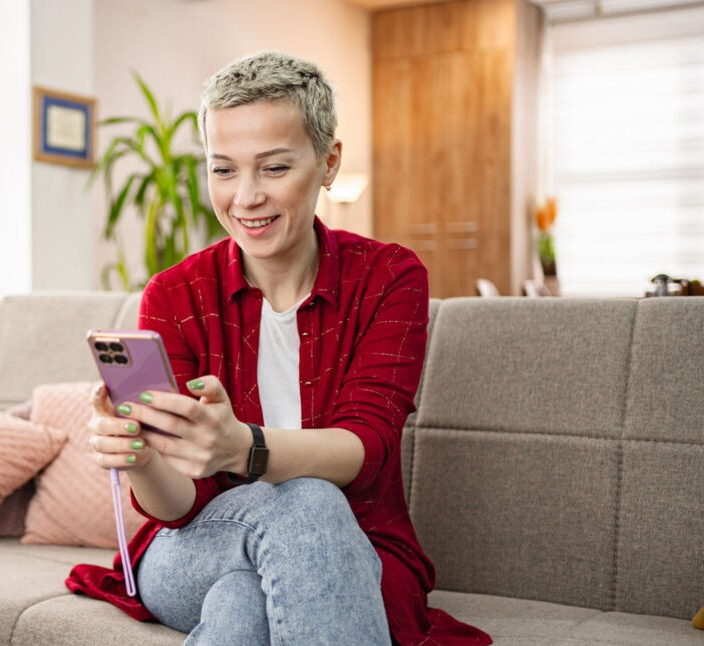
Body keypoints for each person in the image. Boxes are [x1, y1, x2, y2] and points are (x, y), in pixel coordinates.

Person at [66, 51, 492, 645]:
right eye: (223, 170)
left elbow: (365, 447)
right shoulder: (175, 293)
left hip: (357, 543)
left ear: (328, 163)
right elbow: (178, 507)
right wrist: (141, 459)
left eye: (273, 168)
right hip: (195, 547)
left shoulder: (390, 277)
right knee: (308, 506)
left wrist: (242, 447)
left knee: (249, 599)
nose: (245, 198)